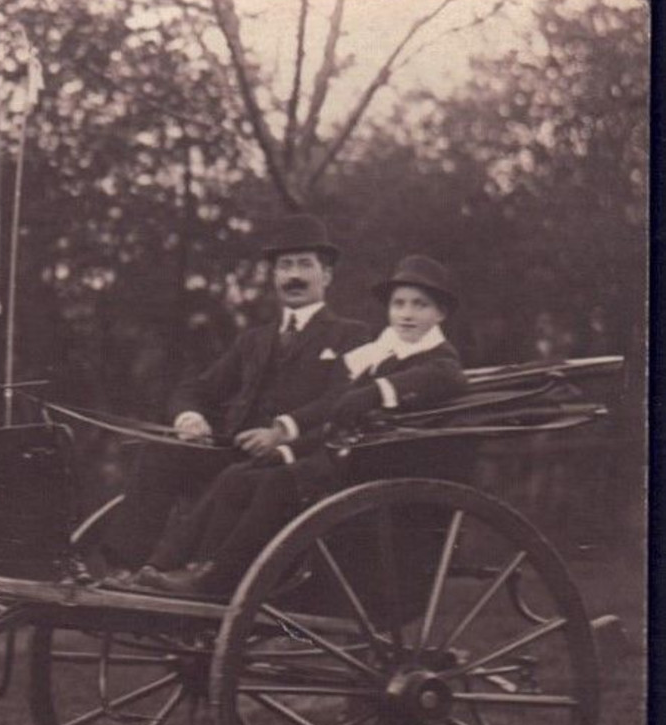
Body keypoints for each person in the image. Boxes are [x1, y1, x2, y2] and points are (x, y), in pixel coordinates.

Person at [124, 254, 469, 597]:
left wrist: (370, 394)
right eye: (399, 304)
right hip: (337, 458)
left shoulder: (440, 361)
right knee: (237, 477)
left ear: (440, 314)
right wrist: (287, 450)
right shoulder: (382, 355)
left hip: (373, 469)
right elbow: (334, 422)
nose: (407, 314)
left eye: (420, 305)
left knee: (278, 484)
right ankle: (175, 566)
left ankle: (218, 580)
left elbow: (434, 381)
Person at [101, 214, 372, 578]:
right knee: (160, 454)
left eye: (305, 265)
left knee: (234, 476)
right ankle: (125, 571)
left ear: (326, 276)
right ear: (274, 277)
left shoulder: (350, 336)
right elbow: (195, 389)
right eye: (284, 266)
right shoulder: (254, 340)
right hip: (233, 454)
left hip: (292, 458)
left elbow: (341, 400)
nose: (294, 275)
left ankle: (186, 570)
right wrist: (191, 417)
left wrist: (282, 430)